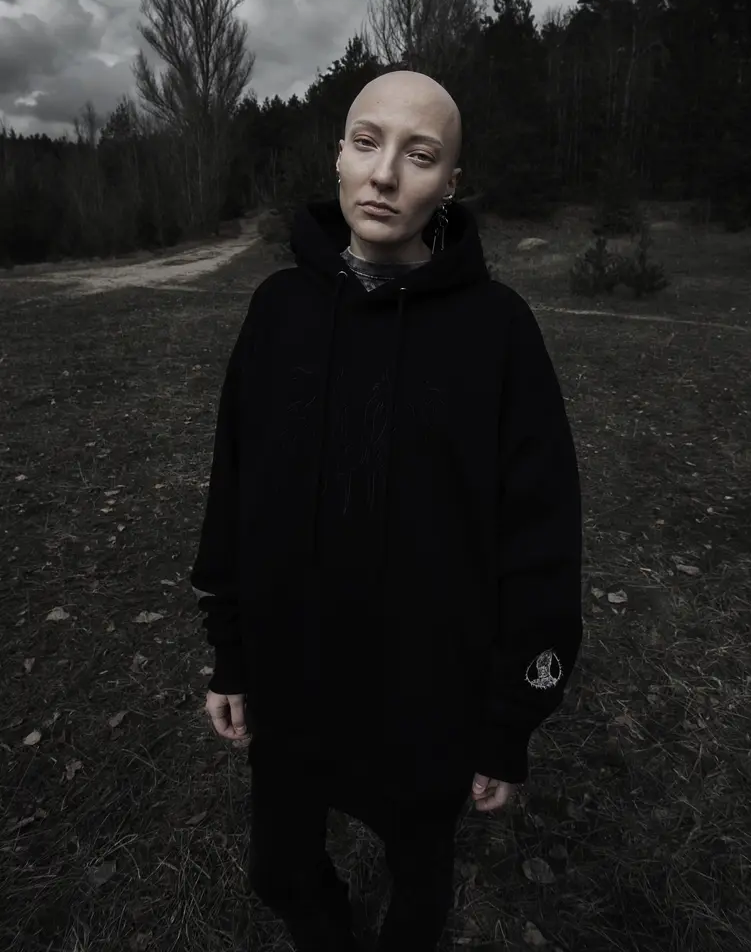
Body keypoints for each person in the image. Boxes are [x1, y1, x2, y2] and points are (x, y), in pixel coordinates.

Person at [190, 69, 584, 952]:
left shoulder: (498, 330)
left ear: (450, 182)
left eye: (420, 154)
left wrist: (509, 721)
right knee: (279, 869)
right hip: (293, 674)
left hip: (427, 691)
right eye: (367, 142)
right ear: (338, 154)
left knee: (420, 874)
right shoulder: (279, 310)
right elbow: (235, 484)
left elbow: (542, 532)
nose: (384, 174)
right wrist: (232, 652)